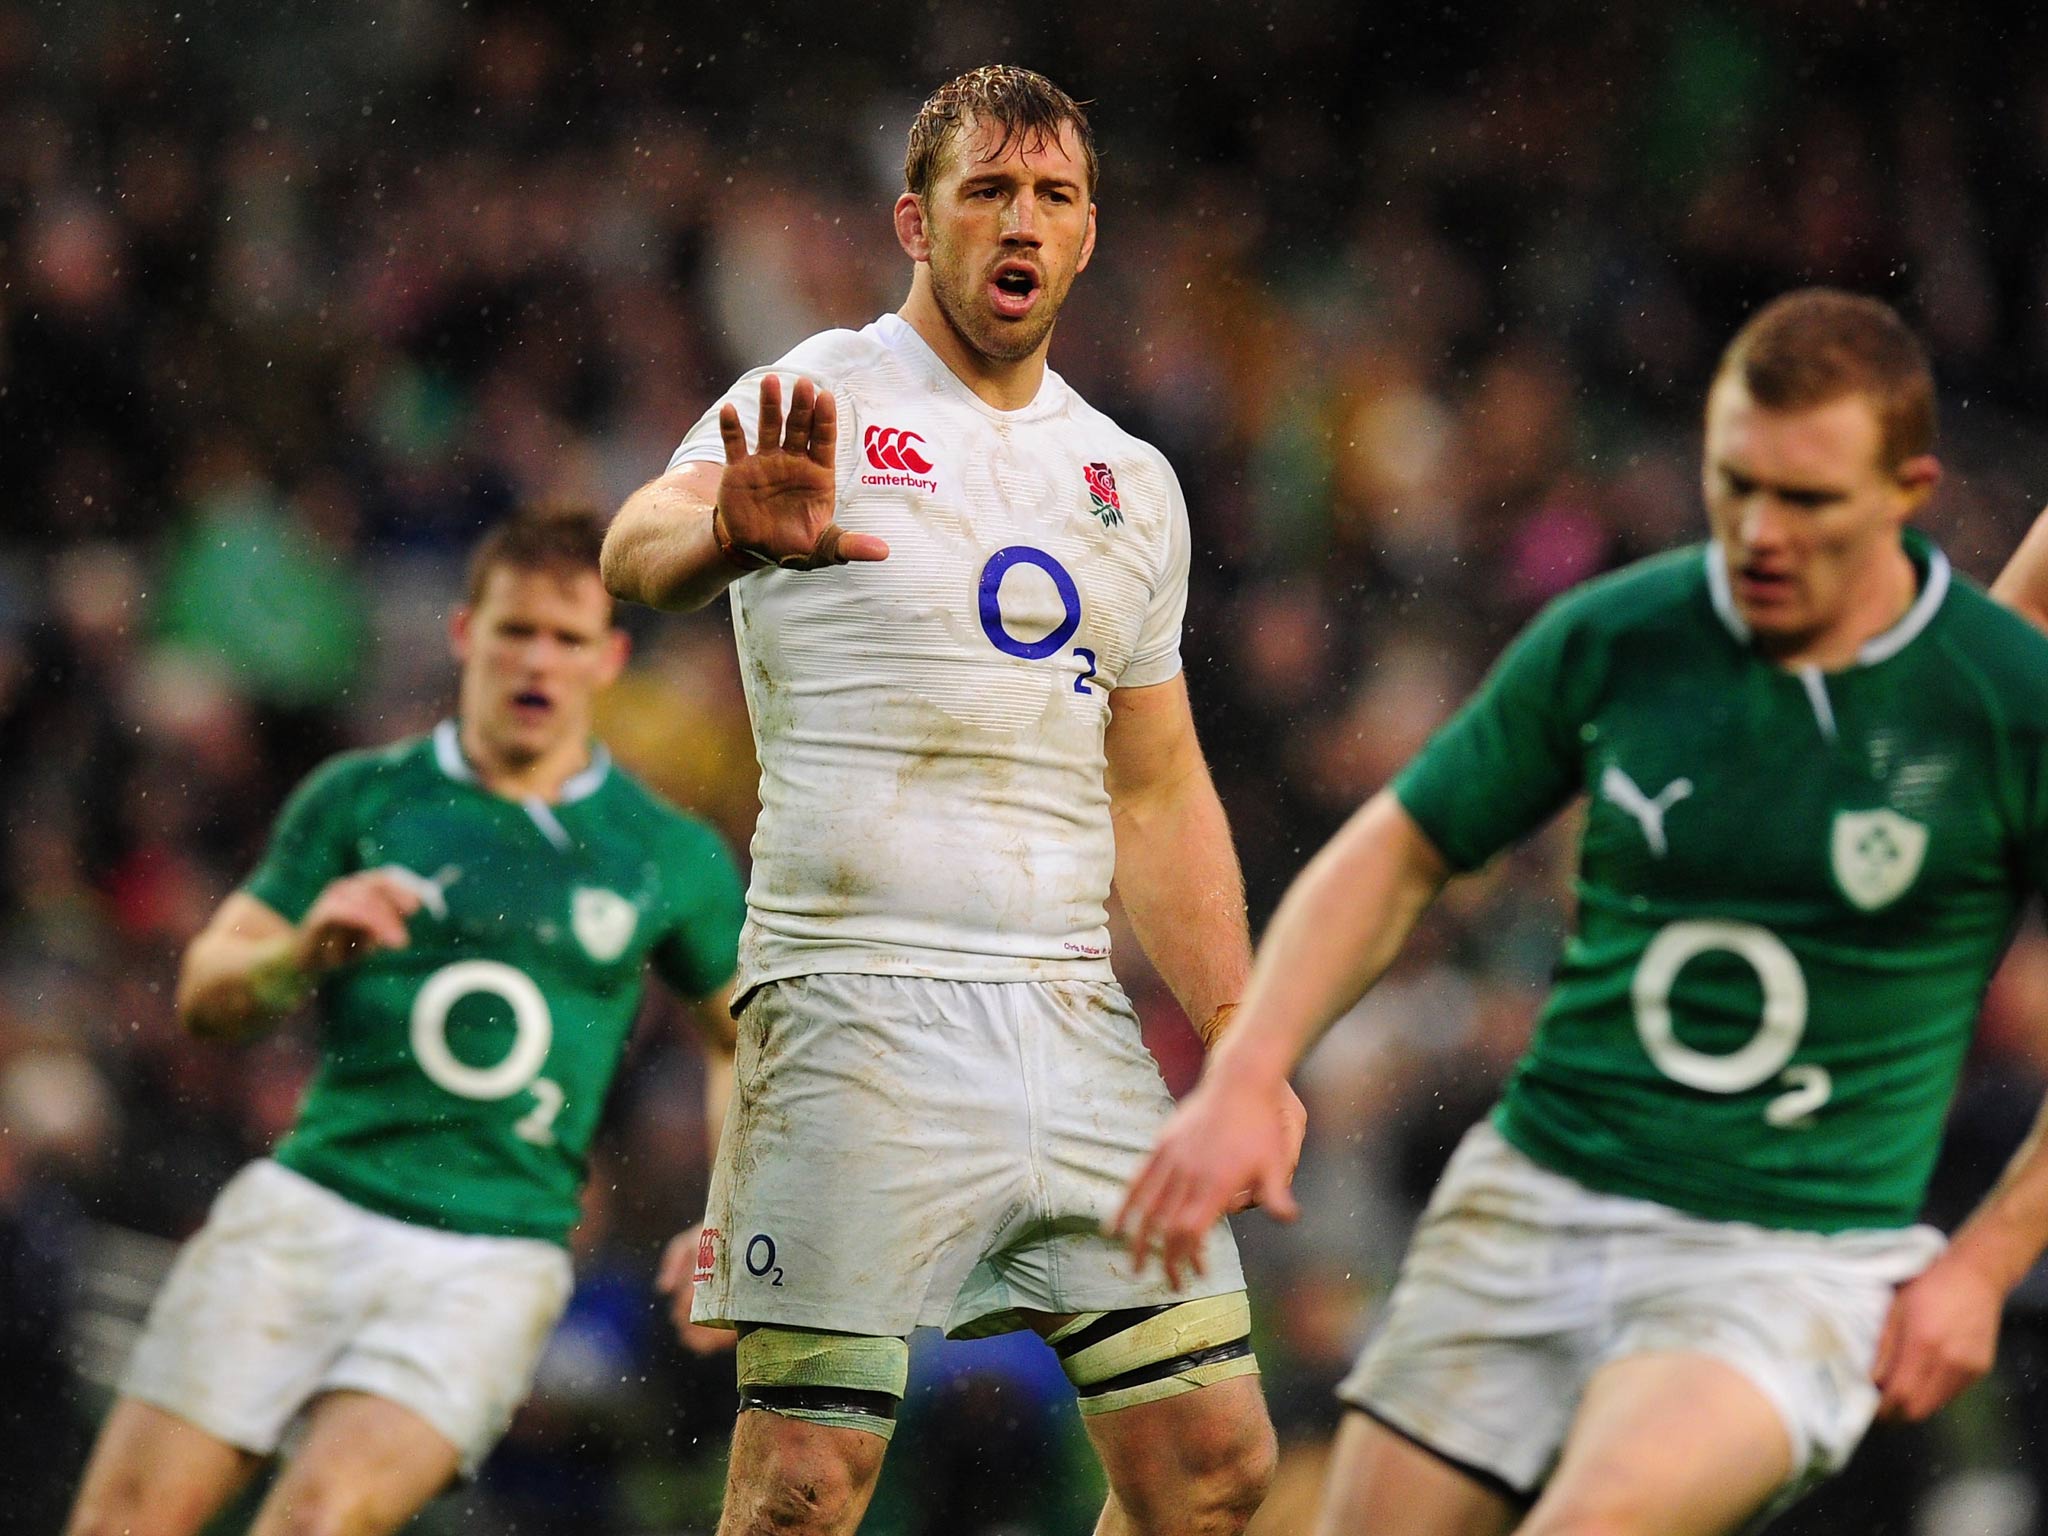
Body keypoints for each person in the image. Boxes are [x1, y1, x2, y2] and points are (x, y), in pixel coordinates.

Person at [1117, 288, 2048, 1536]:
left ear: (1906, 489)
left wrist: (1982, 1265)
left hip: (1786, 1255)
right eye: (1735, 486)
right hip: (1536, 1195)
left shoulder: (2002, 701)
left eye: (1809, 501)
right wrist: (1248, 1066)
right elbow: (1397, 850)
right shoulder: (1625, 633)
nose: (1760, 534)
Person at [603, 63, 1299, 1536]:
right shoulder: (823, 397)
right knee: (803, 1487)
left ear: (1091, 234)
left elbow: (1161, 791)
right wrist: (727, 532)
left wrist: (1242, 1052)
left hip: (1069, 1020)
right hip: (854, 1006)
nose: (1019, 221)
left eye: (1051, 195)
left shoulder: (1130, 482)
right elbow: (632, 550)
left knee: (1219, 1472)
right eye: (987, 189)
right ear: (915, 221)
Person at [65, 509, 747, 1536]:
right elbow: (207, 990)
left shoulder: (664, 853)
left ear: (607, 659)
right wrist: (300, 954)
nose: (538, 662)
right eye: (516, 630)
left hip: (491, 1253)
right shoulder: (362, 798)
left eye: (566, 640)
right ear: (465, 633)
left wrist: (734, 1215)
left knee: (315, 1522)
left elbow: (744, 1041)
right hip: (306, 1209)